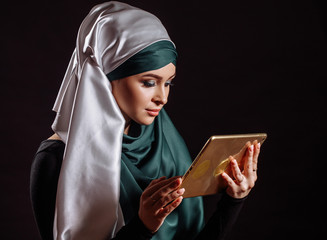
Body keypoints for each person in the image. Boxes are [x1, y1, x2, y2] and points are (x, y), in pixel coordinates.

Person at [30, 1, 261, 240]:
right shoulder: (56, 159)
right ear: (104, 79)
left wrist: (234, 199)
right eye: (149, 82)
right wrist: (143, 225)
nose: (162, 98)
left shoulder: (164, 142)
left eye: (168, 83)